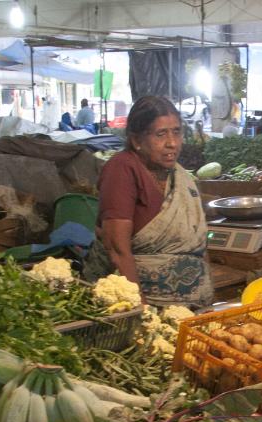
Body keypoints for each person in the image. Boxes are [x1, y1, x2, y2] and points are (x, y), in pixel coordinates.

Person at [83, 96, 213, 307]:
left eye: (177, 132)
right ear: (137, 141)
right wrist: (141, 311)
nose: (172, 143)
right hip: (142, 306)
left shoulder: (179, 177)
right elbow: (117, 249)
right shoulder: (123, 169)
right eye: (161, 134)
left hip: (194, 306)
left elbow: (198, 243)